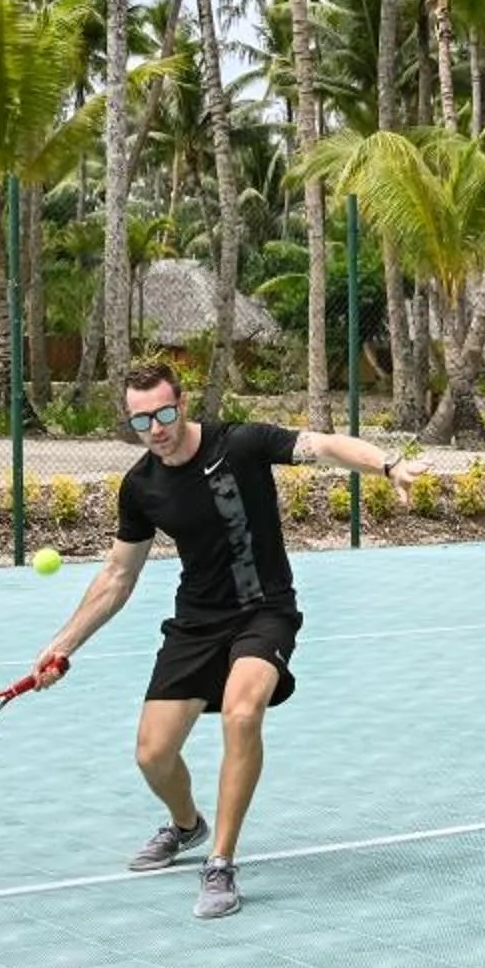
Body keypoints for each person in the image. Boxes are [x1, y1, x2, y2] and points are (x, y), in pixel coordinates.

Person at [35, 361, 404, 918]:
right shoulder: (141, 487)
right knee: (153, 755)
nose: (155, 428)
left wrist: (387, 463)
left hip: (265, 610)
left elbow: (324, 446)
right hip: (197, 621)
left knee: (242, 712)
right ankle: (187, 826)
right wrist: (63, 644)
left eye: (163, 413)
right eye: (141, 420)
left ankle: (221, 862)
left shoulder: (243, 443)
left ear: (181, 403)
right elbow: (118, 575)